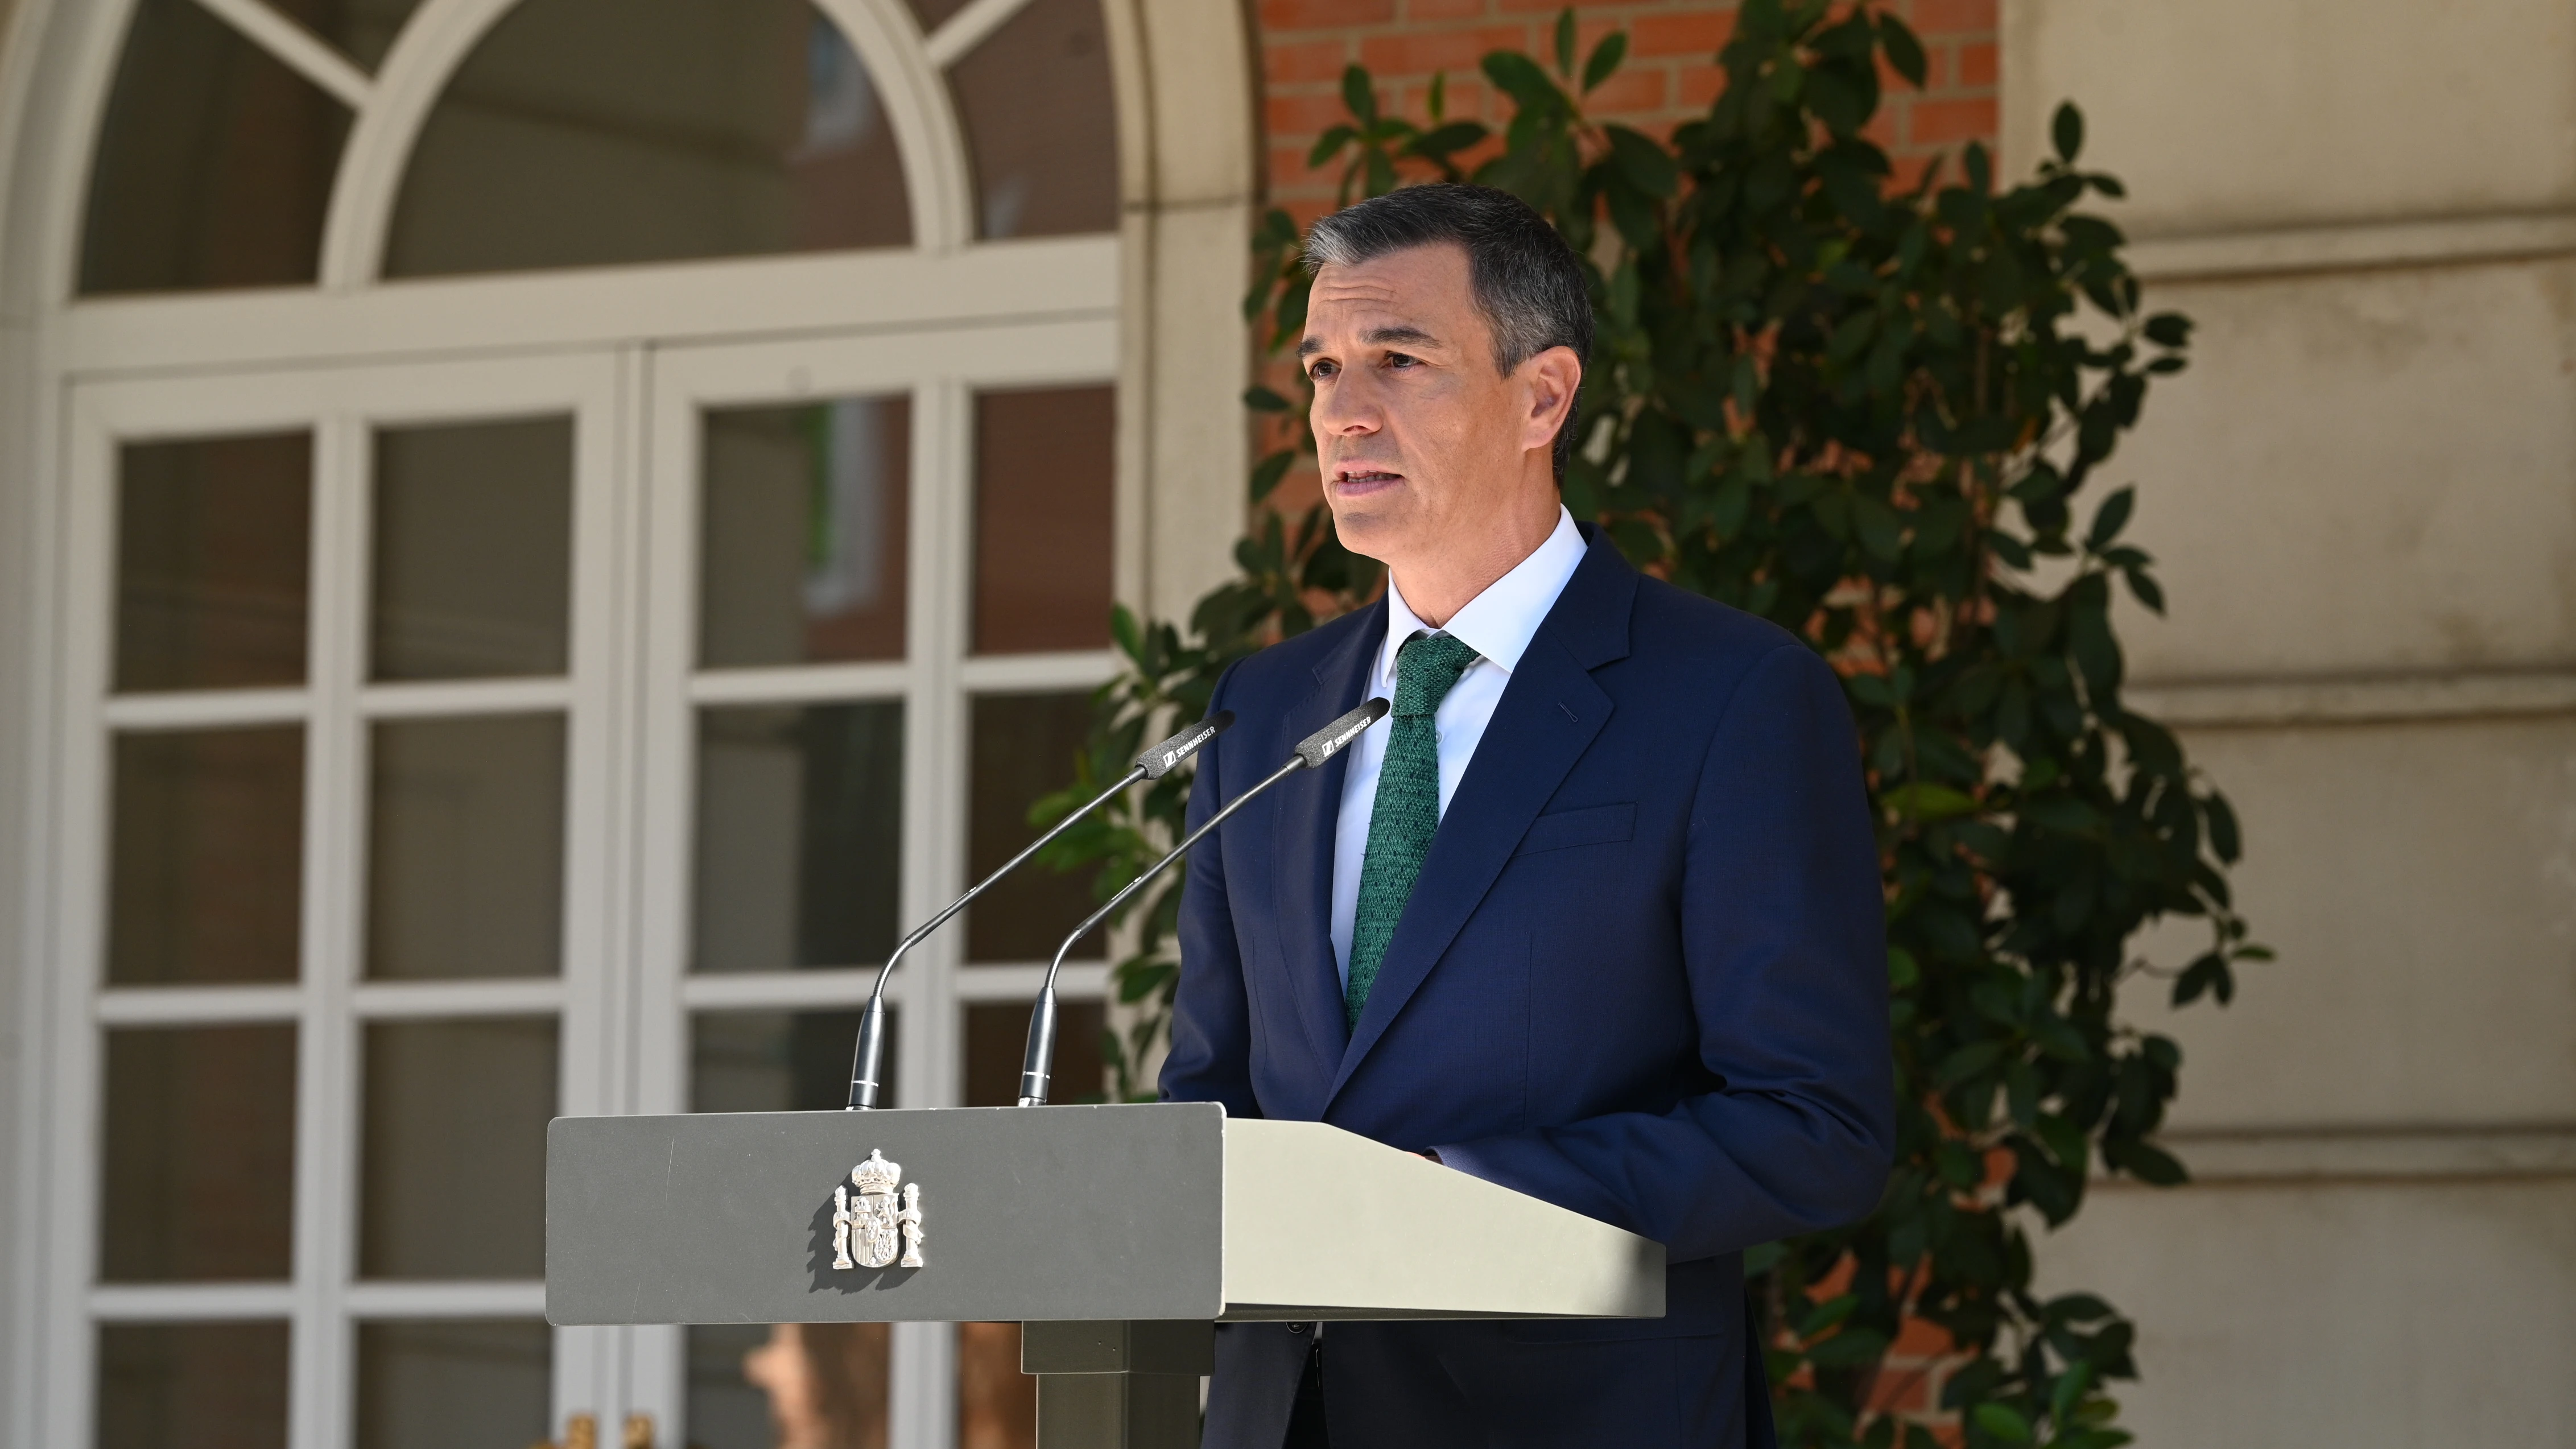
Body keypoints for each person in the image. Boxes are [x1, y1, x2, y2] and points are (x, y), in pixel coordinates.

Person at [1161, 183, 1896, 1449]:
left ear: (1542, 397)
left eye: (1400, 359)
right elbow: (1211, 1095)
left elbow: (1812, 1125)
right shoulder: (1263, 712)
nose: (1343, 408)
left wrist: (1457, 1199)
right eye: (1323, 366)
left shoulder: (1727, 696)